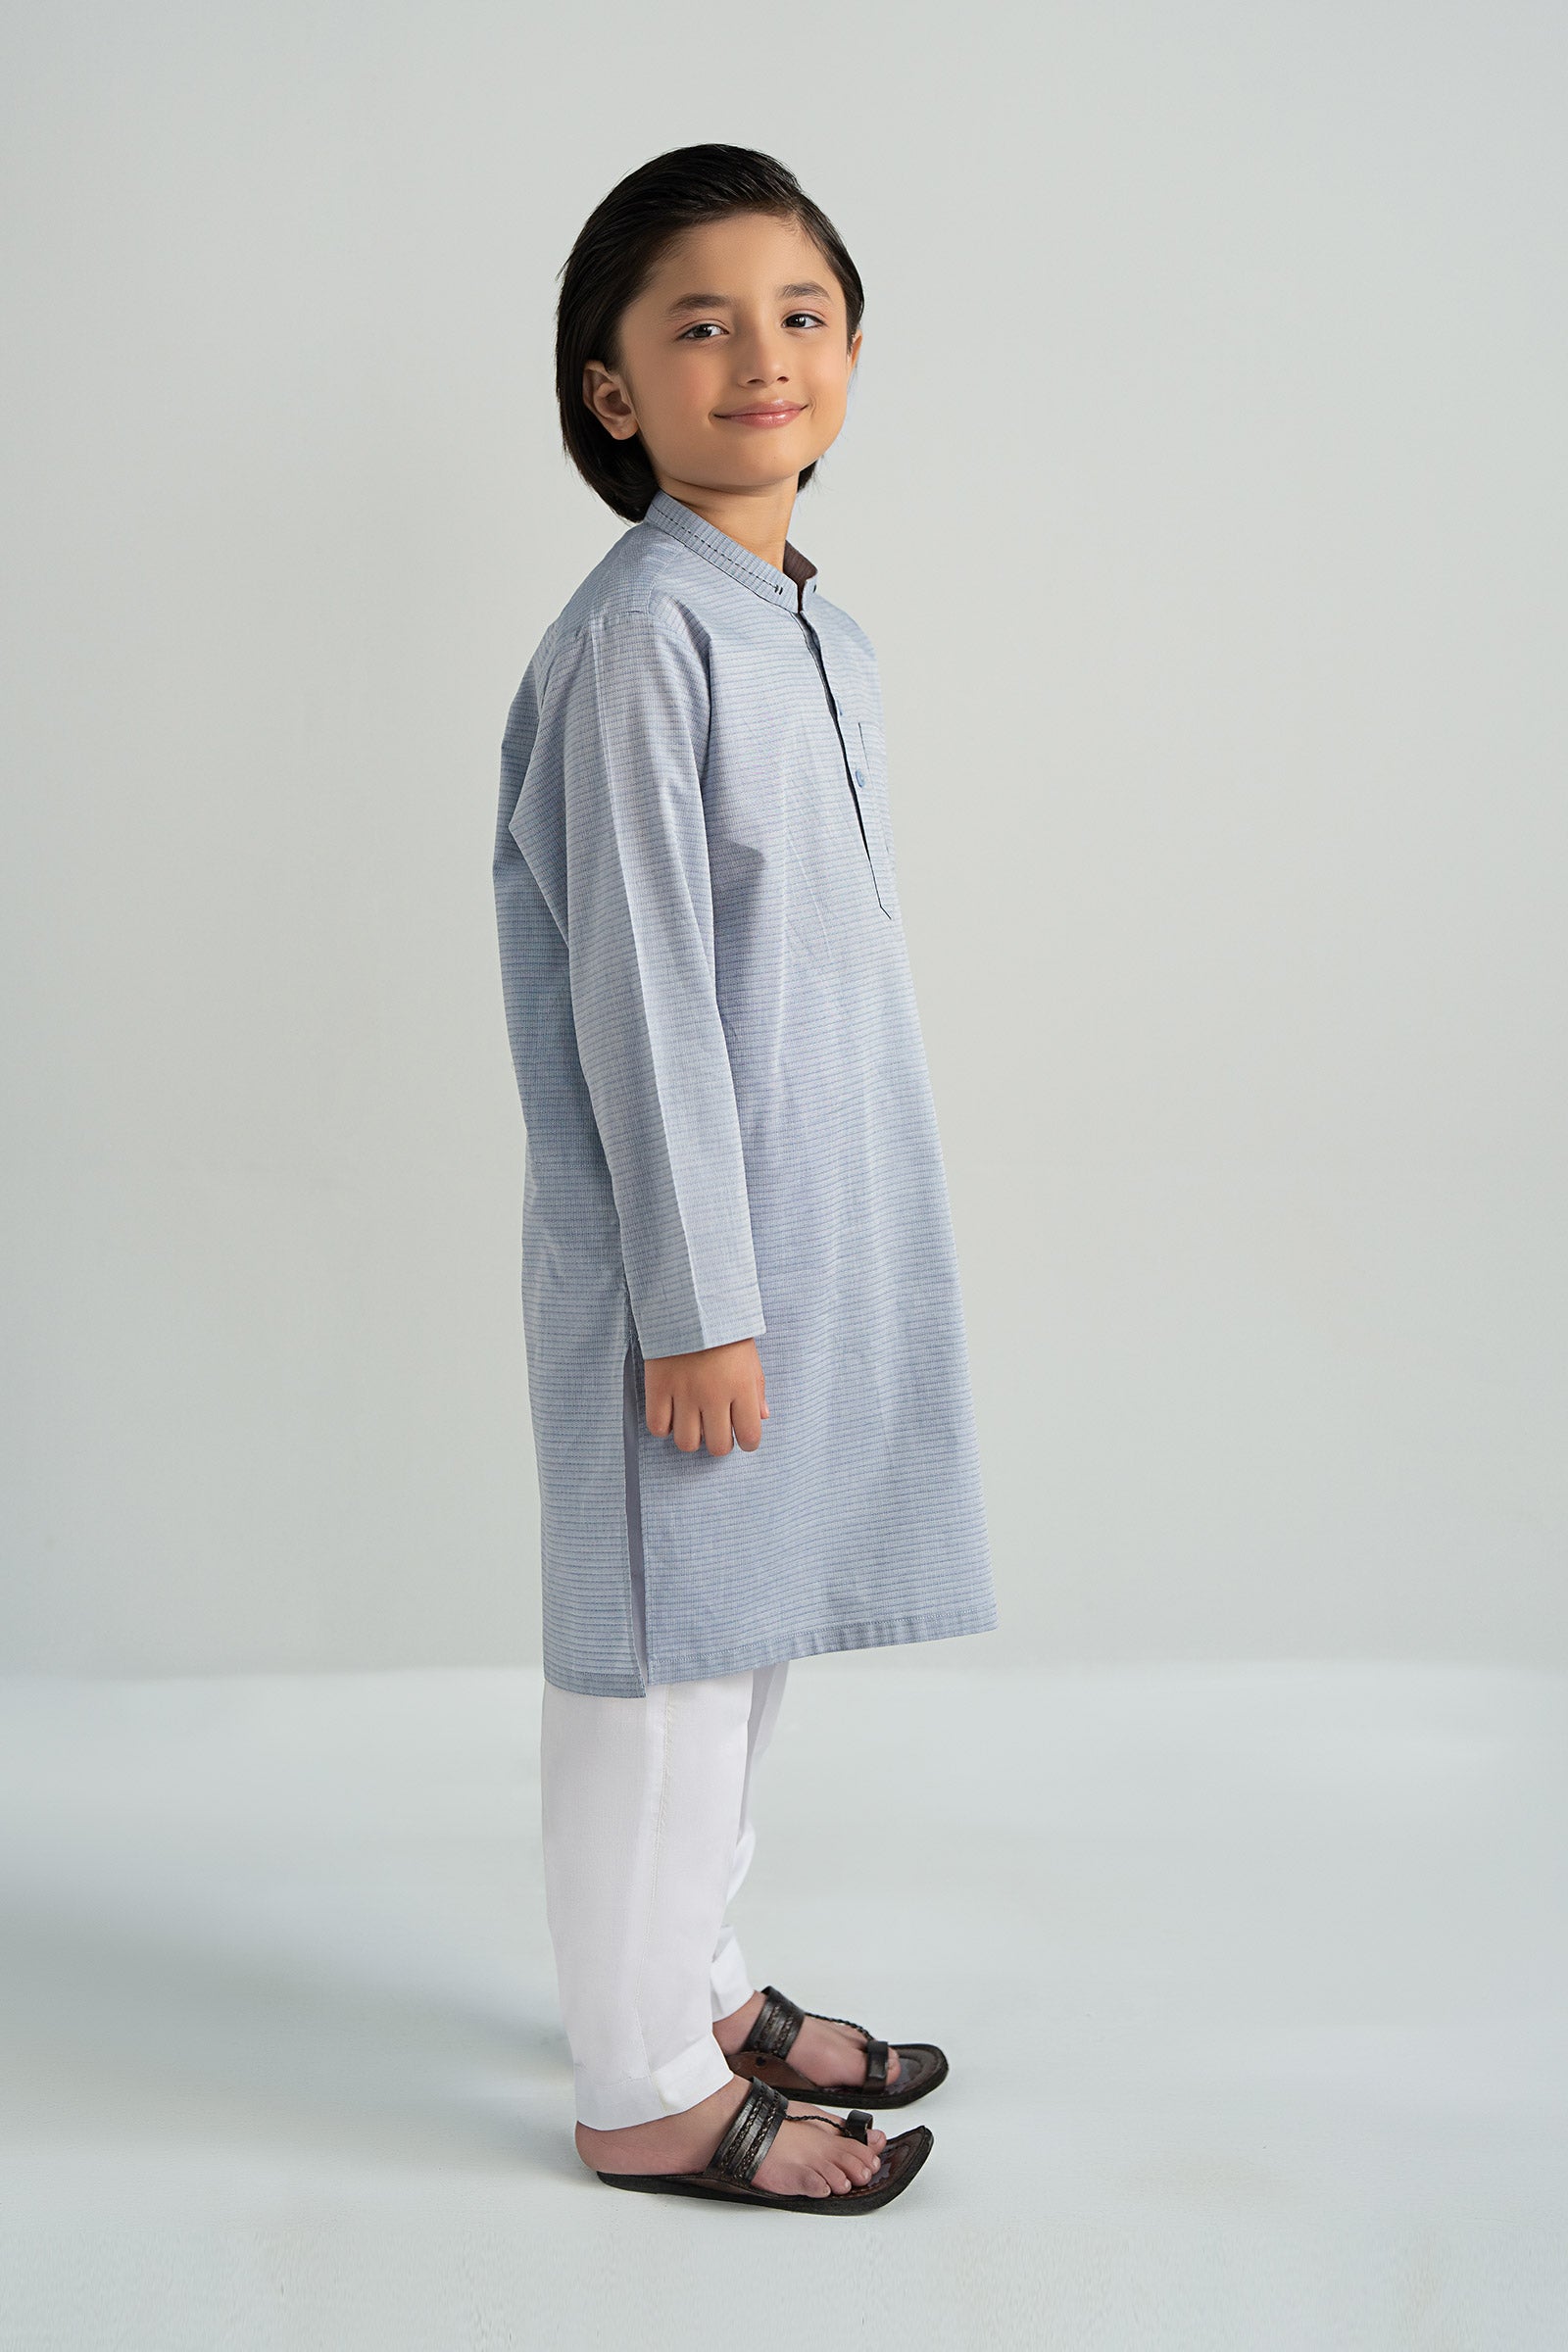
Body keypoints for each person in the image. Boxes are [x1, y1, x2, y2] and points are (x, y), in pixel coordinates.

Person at [491, 144, 997, 2214]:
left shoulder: (807, 628)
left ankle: (692, 1990)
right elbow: (640, 991)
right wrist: (698, 1299)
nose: (760, 354)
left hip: (805, 1230)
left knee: (746, 1627)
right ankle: (638, 2089)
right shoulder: (642, 639)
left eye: (799, 314)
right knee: (663, 1663)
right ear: (612, 388)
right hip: (687, 1268)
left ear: (852, 351)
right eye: (698, 323)